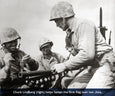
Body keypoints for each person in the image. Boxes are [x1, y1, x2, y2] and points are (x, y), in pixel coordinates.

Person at [50, 1, 115, 88]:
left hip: (105, 65)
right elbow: (79, 57)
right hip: (92, 67)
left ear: (63, 18)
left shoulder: (83, 25)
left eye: (56, 21)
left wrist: (64, 66)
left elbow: (87, 55)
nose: (56, 25)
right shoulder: (70, 33)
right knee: (72, 89)